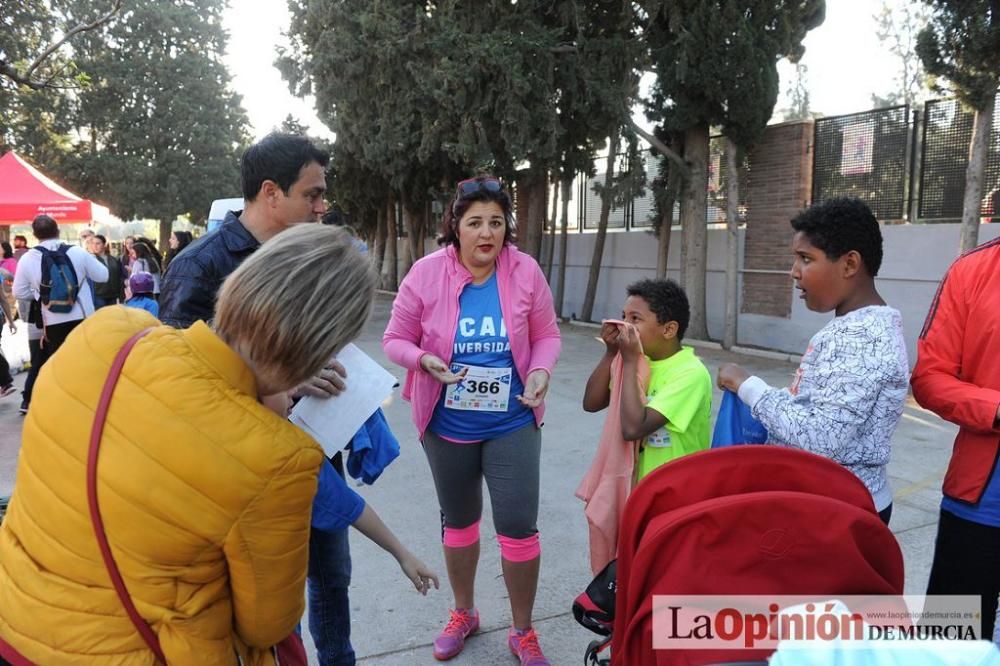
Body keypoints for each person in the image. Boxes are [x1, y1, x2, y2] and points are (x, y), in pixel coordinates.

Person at [0, 225, 436, 664]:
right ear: (317, 351)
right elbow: (266, 624)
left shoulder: (110, 332)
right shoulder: (277, 457)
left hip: (13, 621)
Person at [158, 133, 362, 665]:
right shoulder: (199, 266)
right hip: (241, 475)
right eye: (312, 196)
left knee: (332, 578)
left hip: (315, 447)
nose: (323, 208)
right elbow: (177, 384)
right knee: (270, 603)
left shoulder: (310, 256)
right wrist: (284, 382)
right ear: (271, 193)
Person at [382, 176, 561, 665]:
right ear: (455, 227)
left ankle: (523, 631)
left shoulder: (524, 271)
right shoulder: (425, 274)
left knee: (518, 527)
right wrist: (423, 361)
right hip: (447, 426)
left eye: (496, 223)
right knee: (459, 523)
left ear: (508, 229)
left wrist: (541, 370)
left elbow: (547, 334)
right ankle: (464, 612)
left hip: (512, 422)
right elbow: (395, 338)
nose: (487, 233)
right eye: (475, 222)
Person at [716, 197, 908, 524]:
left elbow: (821, 437)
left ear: (849, 265)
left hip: (838, 512)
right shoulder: (859, 326)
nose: (794, 272)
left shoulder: (859, 336)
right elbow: (818, 408)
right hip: (837, 502)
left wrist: (748, 386)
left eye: (806, 259)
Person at [911, 235, 1000, 641]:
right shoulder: (972, 271)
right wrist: (995, 409)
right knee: (947, 644)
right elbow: (929, 378)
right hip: (978, 507)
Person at [583, 278, 712, 481]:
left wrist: (630, 362)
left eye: (635, 319)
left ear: (668, 330)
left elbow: (633, 428)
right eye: (623, 316)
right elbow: (592, 403)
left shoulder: (690, 373)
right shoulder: (636, 360)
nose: (624, 325)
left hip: (675, 486)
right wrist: (611, 353)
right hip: (637, 485)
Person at [12, 214, 109, 414]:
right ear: (58, 230)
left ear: (35, 235)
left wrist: (41, 293)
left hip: (53, 320)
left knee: (61, 365)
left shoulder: (28, 258)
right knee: (85, 362)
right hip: (83, 317)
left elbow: (18, 292)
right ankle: (90, 405)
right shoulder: (78, 252)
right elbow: (103, 275)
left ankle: (66, 407)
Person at [90, 234, 126, 308]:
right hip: (98, 295)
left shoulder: (114, 259)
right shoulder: (91, 259)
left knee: (112, 318)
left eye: (98, 243)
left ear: (104, 244)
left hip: (113, 295)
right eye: (93, 243)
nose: (95, 246)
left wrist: (121, 295)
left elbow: (119, 277)